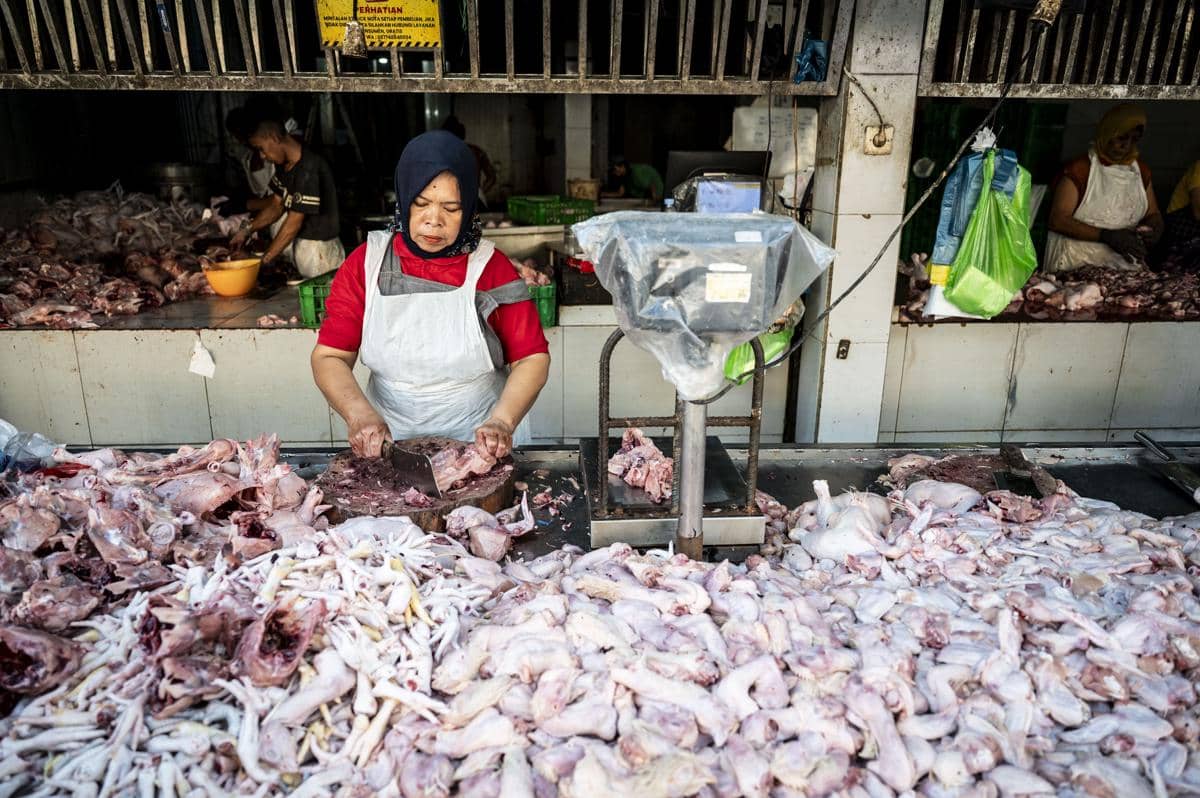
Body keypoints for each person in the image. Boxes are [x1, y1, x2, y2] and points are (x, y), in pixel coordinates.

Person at [310, 131, 550, 459]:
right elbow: (329, 356)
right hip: (389, 442)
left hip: (480, 441)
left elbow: (531, 358)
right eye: (421, 203)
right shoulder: (366, 264)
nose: (433, 221)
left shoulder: (490, 268)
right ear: (404, 199)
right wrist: (359, 415)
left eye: (451, 208)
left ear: (468, 209)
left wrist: (502, 422)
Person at [1045, 104, 1163, 273]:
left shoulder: (1140, 172)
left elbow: (1153, 214)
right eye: (1122, 138)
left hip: (1122, 268)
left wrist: (1154, 228)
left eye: (1134, 140)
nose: (1126, 146)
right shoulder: (1080, 169)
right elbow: (1057, 219)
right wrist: (1106, 236)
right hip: (1075, 264)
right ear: (1108, 133)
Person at [231, 119, 345, 278]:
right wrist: (247, 230)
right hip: (304, 249)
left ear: (274, 137)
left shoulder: (309, 167)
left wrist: (262, 261)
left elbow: (293, 223)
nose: (262, 156)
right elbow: (275, 206)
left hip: (321, 252)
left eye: (261, 148)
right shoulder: (285, 166)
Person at [441, 116, 497, 209]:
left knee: (457, 223)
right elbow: (492, 178)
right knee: (476, 223)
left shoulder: (442, 154)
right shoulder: (476, 151)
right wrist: (480, 192)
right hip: (475, 201)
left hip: (451, 201)